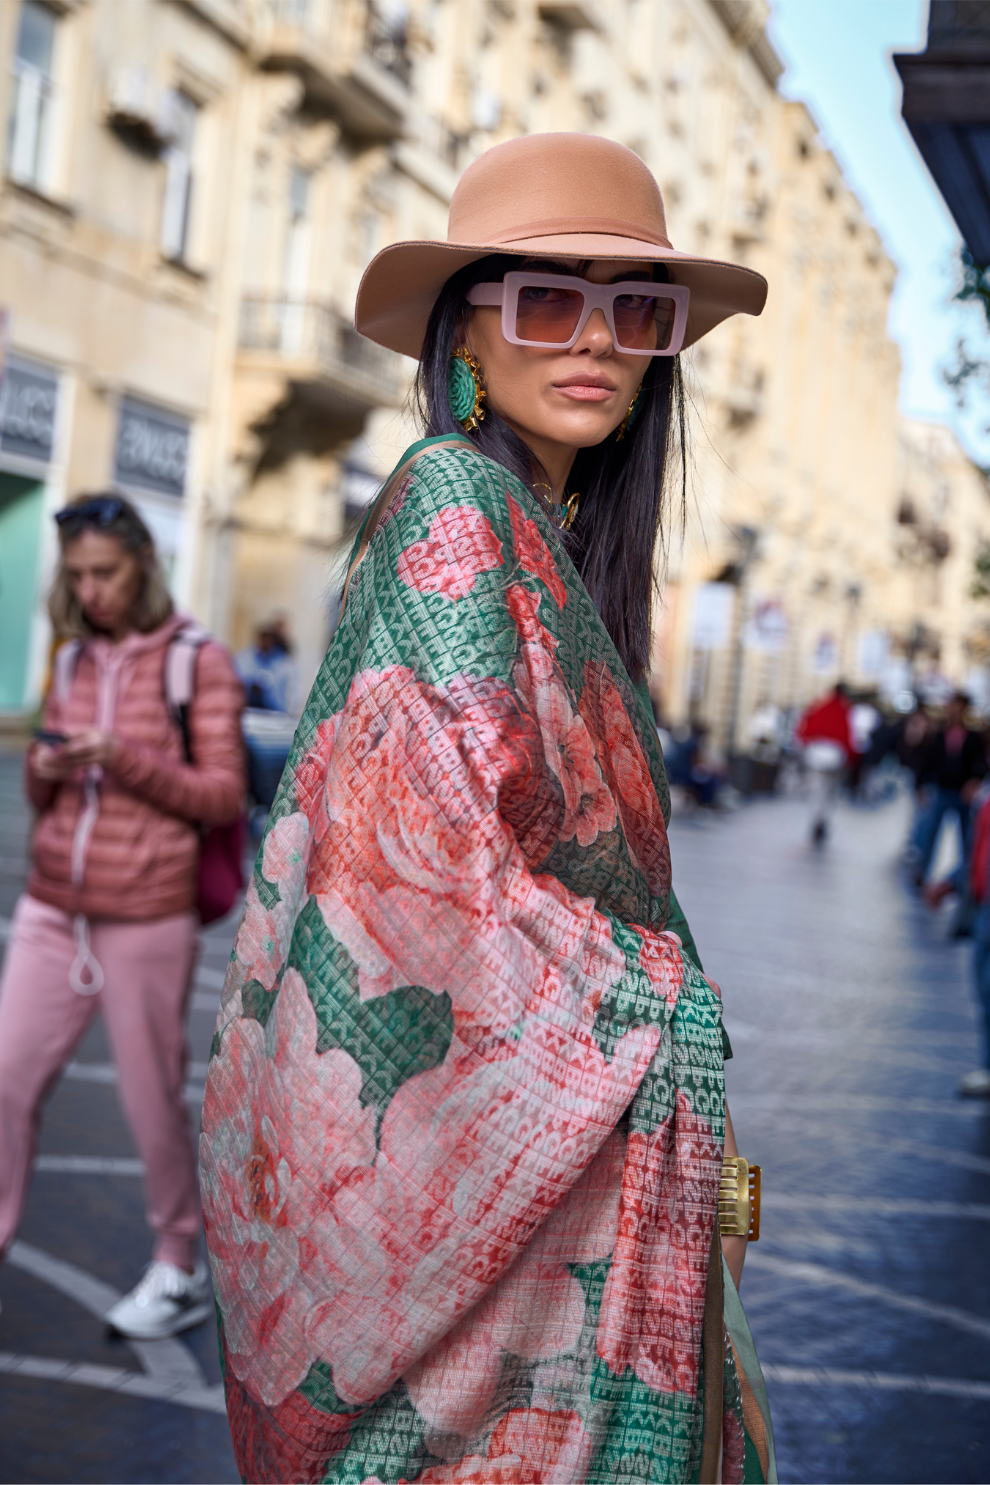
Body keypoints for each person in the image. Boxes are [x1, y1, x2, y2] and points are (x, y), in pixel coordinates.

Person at [201, 134, 776, 1484]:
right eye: (547, 300)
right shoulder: (455, 501)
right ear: (465, 328)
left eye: (637, 310)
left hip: (571, 1165)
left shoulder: (552, 539)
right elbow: (436, 880)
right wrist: (671, 1016)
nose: (597, 339)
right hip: (508, 1190)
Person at [0, 494, 245, 1338]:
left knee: (148, 1099)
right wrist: (44, 768)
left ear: (143, 562)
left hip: (146, 913)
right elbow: (44, 797)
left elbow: (222, 793)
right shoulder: (70, 659)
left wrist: (123, 757)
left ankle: (177, 1266)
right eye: (76, 576)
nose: (90, 591)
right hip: (52, 908)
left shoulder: (195, 661)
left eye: (104, 572)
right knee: (5, 1082)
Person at [914, 691, 987, 887]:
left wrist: (974, 781)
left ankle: (963, 880)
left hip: (962, 795)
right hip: (941, 790)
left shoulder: (974, 738)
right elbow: (927, 762)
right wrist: (920, 785)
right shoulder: (938, 735)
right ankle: (922, 872)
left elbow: (980, 765)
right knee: (929, 833)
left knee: (967, 839)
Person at [795, 681, 854, 843]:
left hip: (815, 753)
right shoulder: (843, 709)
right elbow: (847, 734)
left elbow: (805, 727)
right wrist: (851, 757)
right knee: (830, 790)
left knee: (817, 789)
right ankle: (822, 819)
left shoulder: (820, 705)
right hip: (834, 755)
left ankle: (817, 818)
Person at [962, 791, 990, 1096]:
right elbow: (976, 850)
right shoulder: (985, 798)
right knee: (984, 989)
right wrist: (952, 882)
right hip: (983, 906)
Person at [235, 619, 301, 716]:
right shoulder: (246, 657)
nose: (264, 642)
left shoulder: (284, 664)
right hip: (248, 711)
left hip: (274, 714)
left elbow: (290, 694)